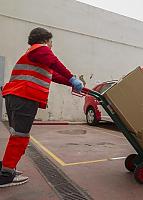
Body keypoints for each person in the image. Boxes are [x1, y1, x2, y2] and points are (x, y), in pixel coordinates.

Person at [0, 27, 84, 187]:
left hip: (15, 95)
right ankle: (6, 174)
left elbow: (54, 75)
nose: (51, 45)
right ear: (45, 40)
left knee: (17, 135)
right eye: (51, 42)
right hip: (24, 96)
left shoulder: (33, 54)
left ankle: (7, 167)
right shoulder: (41, 49)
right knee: (20, 136)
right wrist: (72, 78)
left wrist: (71, 83)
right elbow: (55, 63)